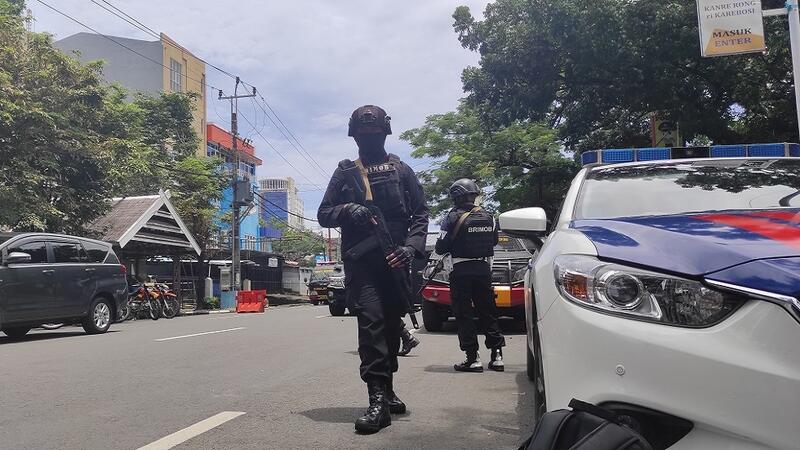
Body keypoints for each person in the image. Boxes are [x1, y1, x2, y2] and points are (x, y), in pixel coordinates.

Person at [317, 105, 429, 434]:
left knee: (392, 326)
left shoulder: (402, 170)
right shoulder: (345, 172)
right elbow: (324, 213)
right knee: (372, 324)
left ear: (384, 134)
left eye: (374, 134)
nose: (368, 139)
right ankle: (377, 400)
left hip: (395, 262)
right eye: (363, 135)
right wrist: (348, 210)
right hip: (362, 264)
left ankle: (388, 388)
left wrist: (410, 249)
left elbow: (421, 214)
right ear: (354, 136)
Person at [435, 179, 505, 373]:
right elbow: (493, 241)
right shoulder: (489, 216)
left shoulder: (451, 217)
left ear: (456, 196)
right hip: (483, 270)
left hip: (460, 271)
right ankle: (497, 356)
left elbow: (440, 247)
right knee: (488, 312)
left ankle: (473, 359)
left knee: (464, 314)